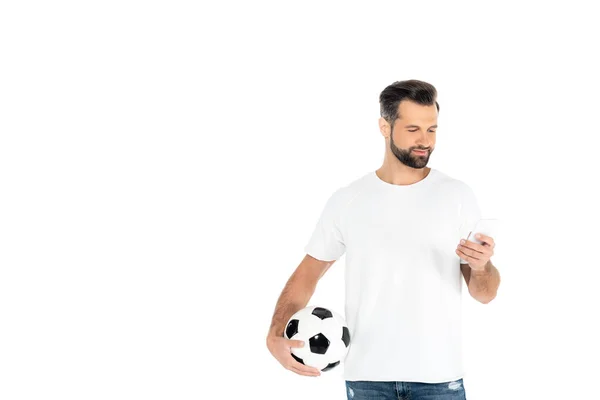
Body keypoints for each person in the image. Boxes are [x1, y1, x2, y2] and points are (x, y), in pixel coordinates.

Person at [266, 79, 501, 399]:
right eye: (413, 129)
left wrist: (483, 266)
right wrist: (274, 333)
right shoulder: (348, 200)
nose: (425, 140)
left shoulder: (457, 196)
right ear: (384, 127)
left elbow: (484, 293)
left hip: (439, 379)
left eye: (432, 129)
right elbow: (308, 274)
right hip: (367, 379)